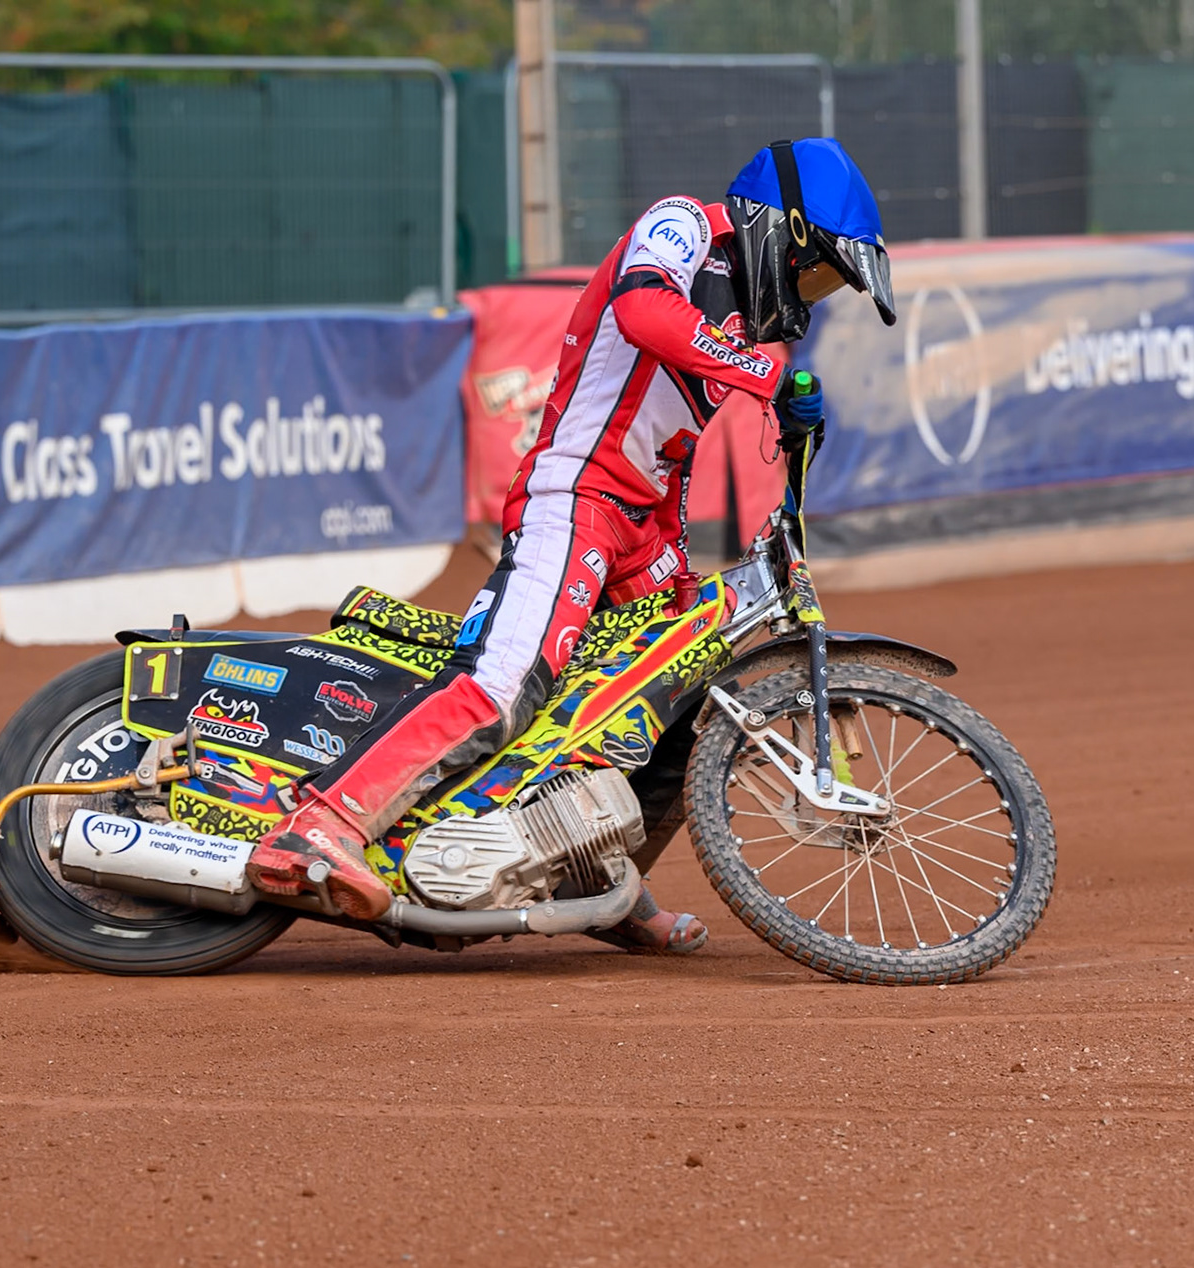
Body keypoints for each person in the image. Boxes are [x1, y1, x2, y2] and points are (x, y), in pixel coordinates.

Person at [245, 138, 898, 949]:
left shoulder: (736, 325)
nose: (818, 294)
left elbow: (668, 448)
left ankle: (596, 878)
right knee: (504, 683)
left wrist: (675, 557)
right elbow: (642, 312)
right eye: (823, 271)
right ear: (784, 230)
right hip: (575, 497)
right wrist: (765, 377)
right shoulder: (682, 225)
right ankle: (317, 827)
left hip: (634, 523)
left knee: (671, 694)